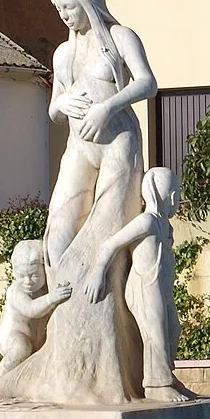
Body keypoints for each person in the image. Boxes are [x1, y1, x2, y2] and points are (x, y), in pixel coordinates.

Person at [42, 0, 157, 288]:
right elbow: (54, 109)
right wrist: (61, 105)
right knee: (58, 228)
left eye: (70, 7)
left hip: (118, 142)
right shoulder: (63, 53)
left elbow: (148, 83)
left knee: (108, 225)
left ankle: (105, 311)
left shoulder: (120, 38)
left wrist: (107, 108)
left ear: (90, 2)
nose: (64, 15)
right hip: (78, 146)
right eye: (60, 9)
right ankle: (62, 306)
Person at [81, 167, 195, 403]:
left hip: (161, 288)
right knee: (155, 334)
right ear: (157, 193)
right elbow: (110, 245)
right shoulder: (146, 222)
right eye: (171, 192)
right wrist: (98, 272)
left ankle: (168, 377)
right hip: (144, 287)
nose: (176, 198)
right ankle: (156, 385)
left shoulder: (166, 226)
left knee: (172, 329)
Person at [0, 240, 73, 376]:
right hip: (14, 336)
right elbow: (31, 309)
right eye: (21, 276)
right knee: (20, 349)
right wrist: (52, 298)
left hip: (37, 338)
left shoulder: (45, 289)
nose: (27, 281)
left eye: (34, 275)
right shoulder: (16, 291)